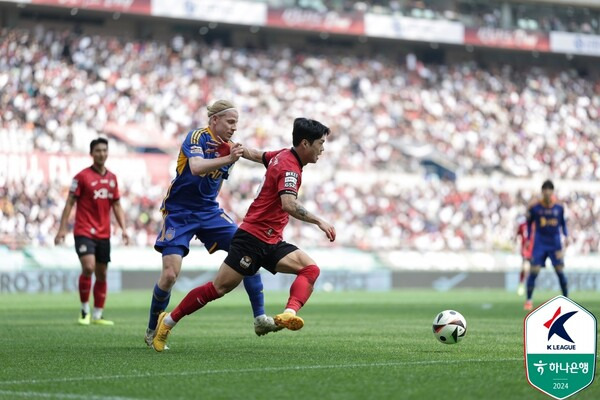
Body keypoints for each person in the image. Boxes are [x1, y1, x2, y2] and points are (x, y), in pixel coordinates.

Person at [152, 117, 336, 352]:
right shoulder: (290, 169)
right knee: (218, 289)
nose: (322, 149)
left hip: (271, 240)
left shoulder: (281, 155)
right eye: (320, 143)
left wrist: (232, 147)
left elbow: (257, 155)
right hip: (251, 239)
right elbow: (289, 204)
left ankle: (289, 313)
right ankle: (167, 321)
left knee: (310, 269)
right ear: (305, 144)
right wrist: (319, 220)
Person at [145, 100, 281, 348]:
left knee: (249, 249)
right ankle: (153, 327)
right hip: (179, 212)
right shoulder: (196, 137)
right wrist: (229, 158)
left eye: (236, 123)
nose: (234, 128)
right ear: (214, 120)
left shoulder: (230, 148)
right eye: (230, 122)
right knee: (169, 275)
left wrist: (282, 158)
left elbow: (248, 159)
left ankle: (259, 317)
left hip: (209, 212)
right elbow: (196, 168)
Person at [55, 138, 129, 325]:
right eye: (98, 150)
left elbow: (117, 205)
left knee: (102, 274)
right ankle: (84, 311)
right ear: (91, 153)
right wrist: (62, 228)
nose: (101, 154)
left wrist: (124, 229)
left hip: (104, 233)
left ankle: (97, 314)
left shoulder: (112, 179)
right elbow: (70, 203)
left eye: (104, 150)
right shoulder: (81, 177)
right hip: (84, 230)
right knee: (88, 267)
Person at [524, 180, 569, 311]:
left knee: (560, 271)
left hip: (555, 243)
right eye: (545, 190)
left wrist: (566, 236)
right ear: (542, 192)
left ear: (552, 192)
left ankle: (566, 298)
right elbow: (528, 222)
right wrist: (527, 238)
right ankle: (528, 300)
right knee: (534, 270)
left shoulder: (559, 208)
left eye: (550, 190)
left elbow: (563, 224)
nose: (548, 192)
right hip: (540, 242)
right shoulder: (536, 207)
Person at [515, 214, 533, 296]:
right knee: (525, 268)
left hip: (534, 249)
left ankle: (526, 285)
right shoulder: (522, 225)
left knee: (531, 269)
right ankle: (522, 284)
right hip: (525, 249)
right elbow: (517, 234)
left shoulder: (536, 224)